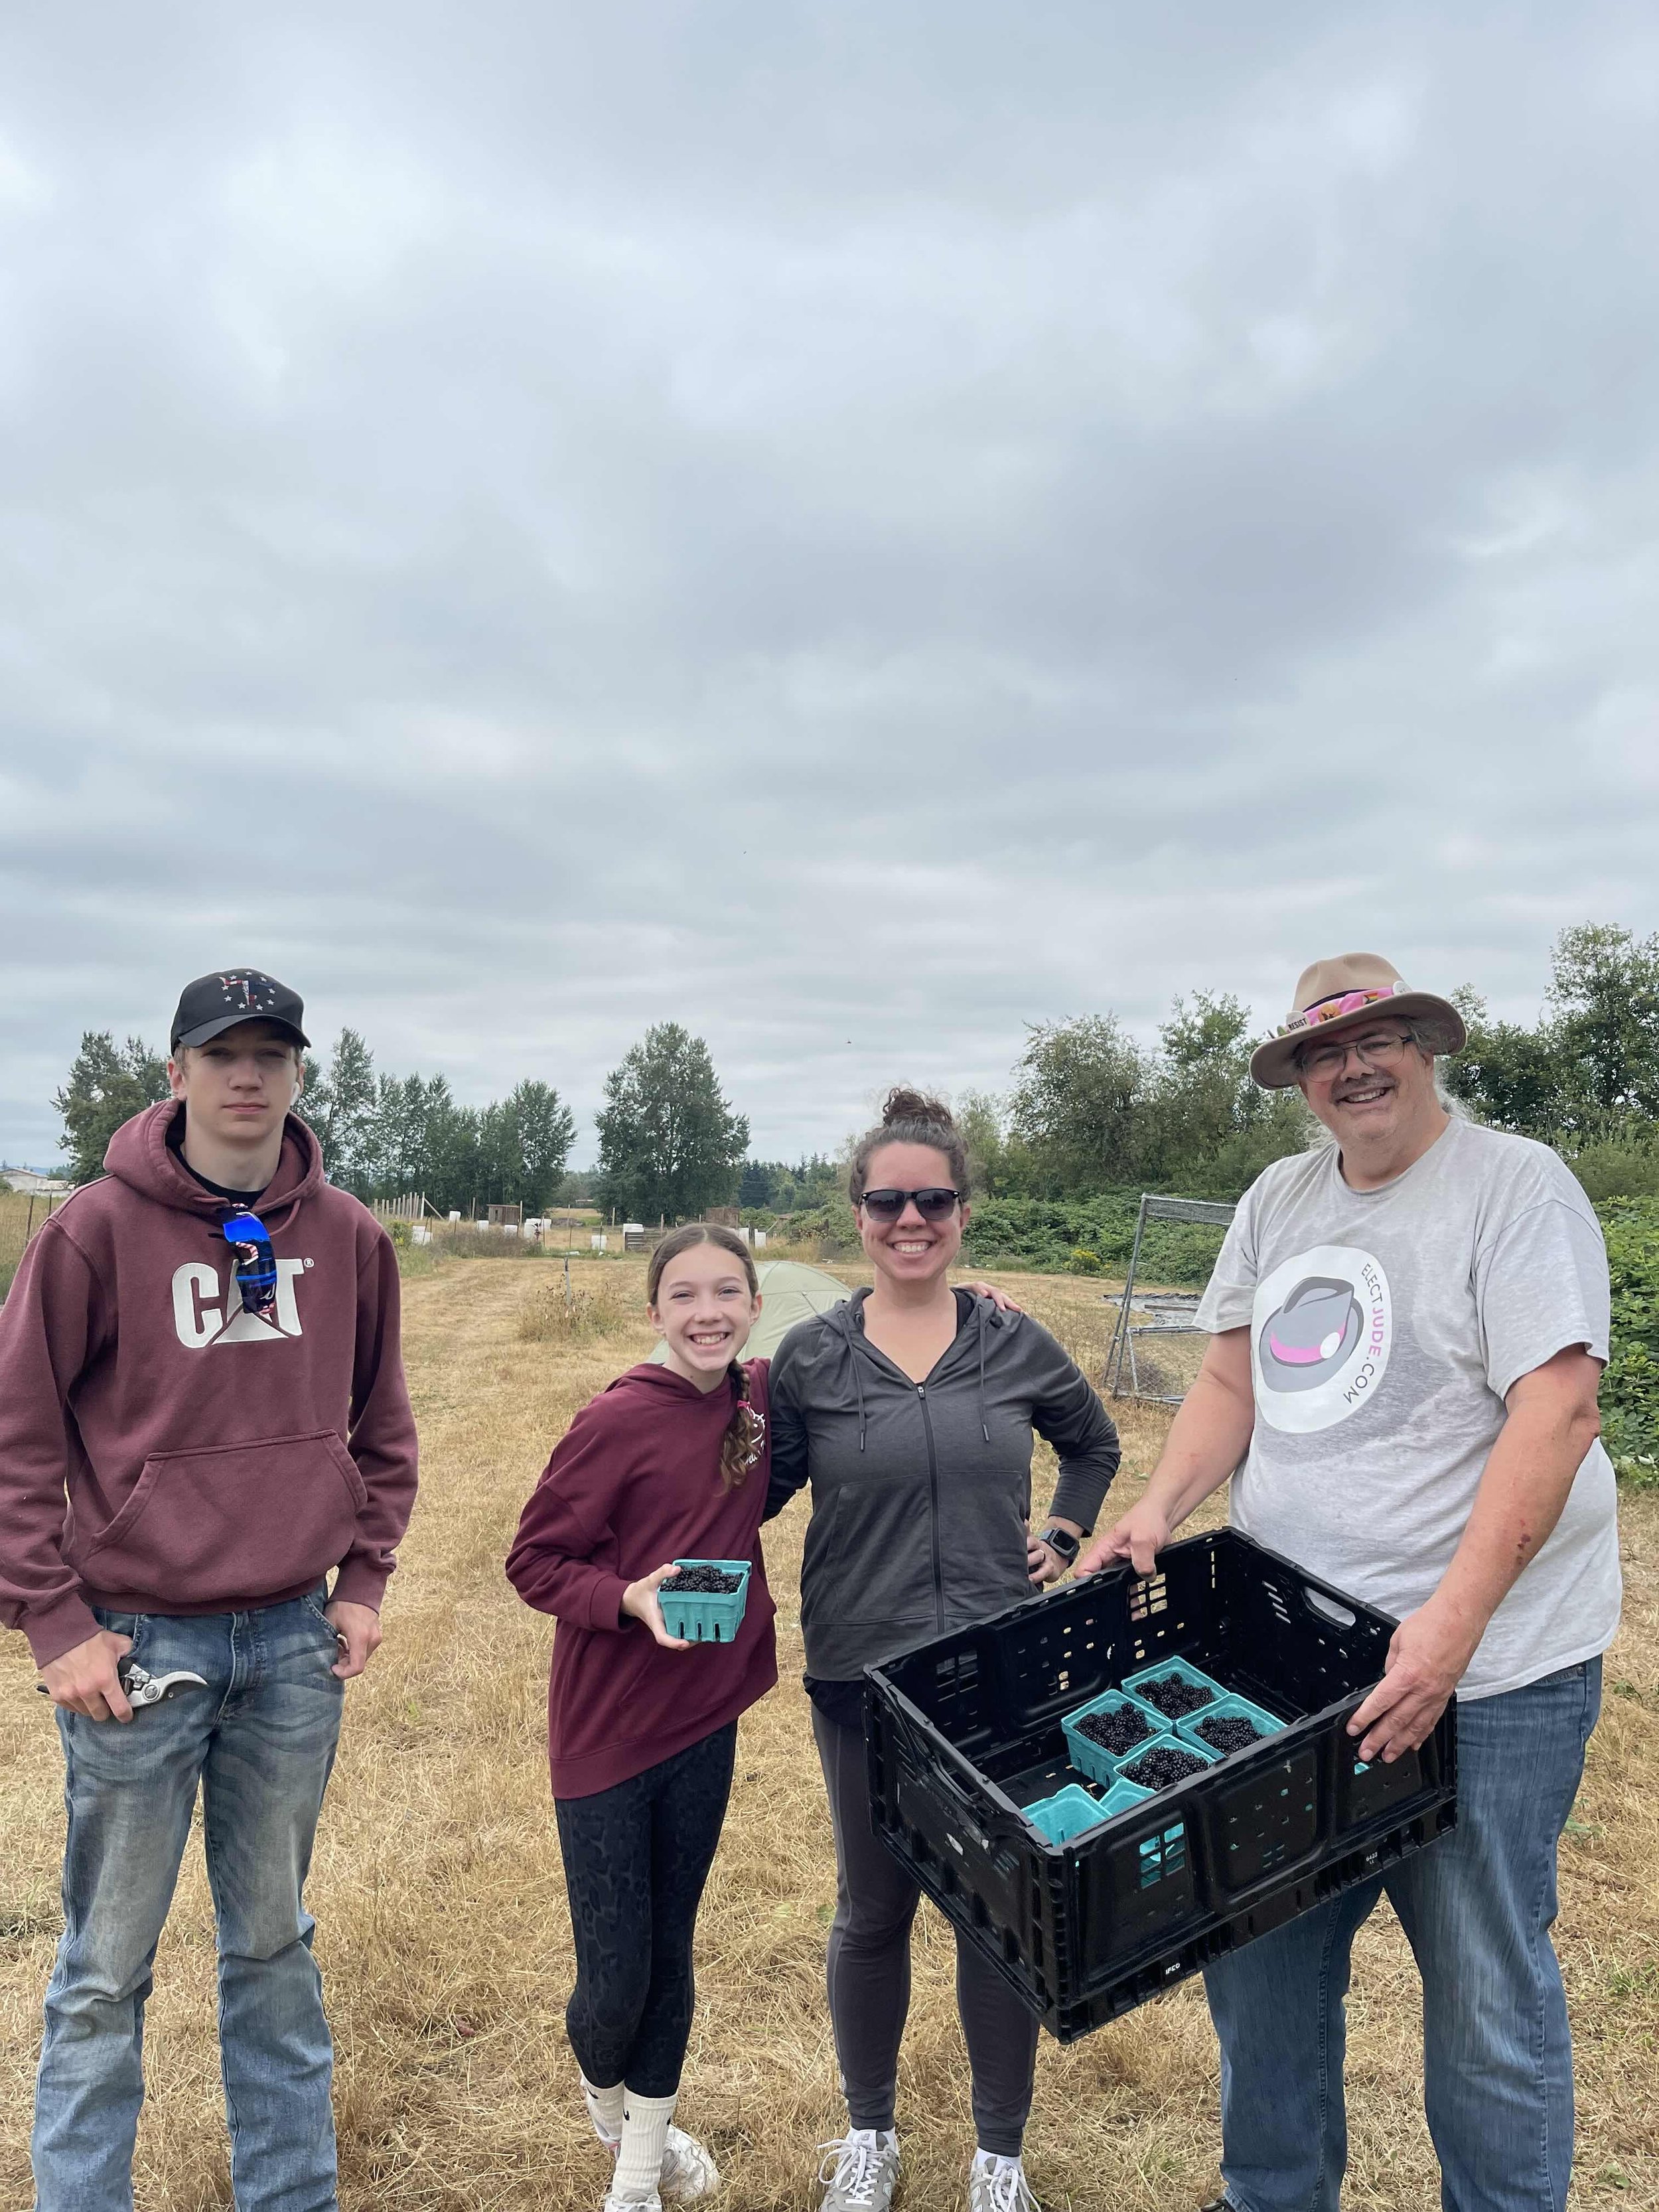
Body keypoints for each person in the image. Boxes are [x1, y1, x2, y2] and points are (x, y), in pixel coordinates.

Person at [1082, 952, 1621, 2212]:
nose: (1353, 1065)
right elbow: (1230, 1384)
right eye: (1325, 1053)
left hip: (1488, 1675)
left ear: (1427, 1046)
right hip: (1293, 1663)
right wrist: (1156, 1512)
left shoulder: (1514, 1186)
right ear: (1304, 1082)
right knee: (1260, 1960)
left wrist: (1449, 1630)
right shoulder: (1278, 1200)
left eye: (1378, 1038)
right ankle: (1273, 2196)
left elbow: (1561, 1407)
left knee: (1487, 1993)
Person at [0, 967, 419, 2212]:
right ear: (175, 1072)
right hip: (136, 1652)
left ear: (297, 1074)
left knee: (275, 1950)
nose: (249, 1076)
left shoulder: (348, 1237)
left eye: (273, 1054)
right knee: (102, 1973)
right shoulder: (90, 1230)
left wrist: (364, 1577)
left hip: (291, 1646)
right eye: (222, 1053)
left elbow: (382, 1421)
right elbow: (15, 1436)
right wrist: (52, 1617)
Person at [766, 1089, 1122, 2212]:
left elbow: (1094, 1443)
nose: (909, 1217)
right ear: (858, 1214)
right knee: (872, 1910)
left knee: (995, 1906)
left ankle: (998, 2155)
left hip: (993, 1672)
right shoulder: (809, 1357)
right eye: (887, 1199)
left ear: (963, 1211)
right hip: (860, 1673)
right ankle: (869, 2135)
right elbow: (751, 1488)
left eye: (932, 1198)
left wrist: (1062, 1534)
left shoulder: (1012, 1338)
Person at [505, 1223, 778, 2212]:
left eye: (728, 1292)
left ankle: (634, 2181)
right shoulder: (615, 1420)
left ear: (753, 1304)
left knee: (672, 1948)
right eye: (685, 1295)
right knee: (613, 1975)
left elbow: (858, 1351)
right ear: (654, 1309)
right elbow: (533, 1561)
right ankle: (611, 2115)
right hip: (608, 1727)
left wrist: (978, 1310)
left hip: (705, 1714)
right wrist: (626, 1596)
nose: (707, 1311)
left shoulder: (757, 1399)